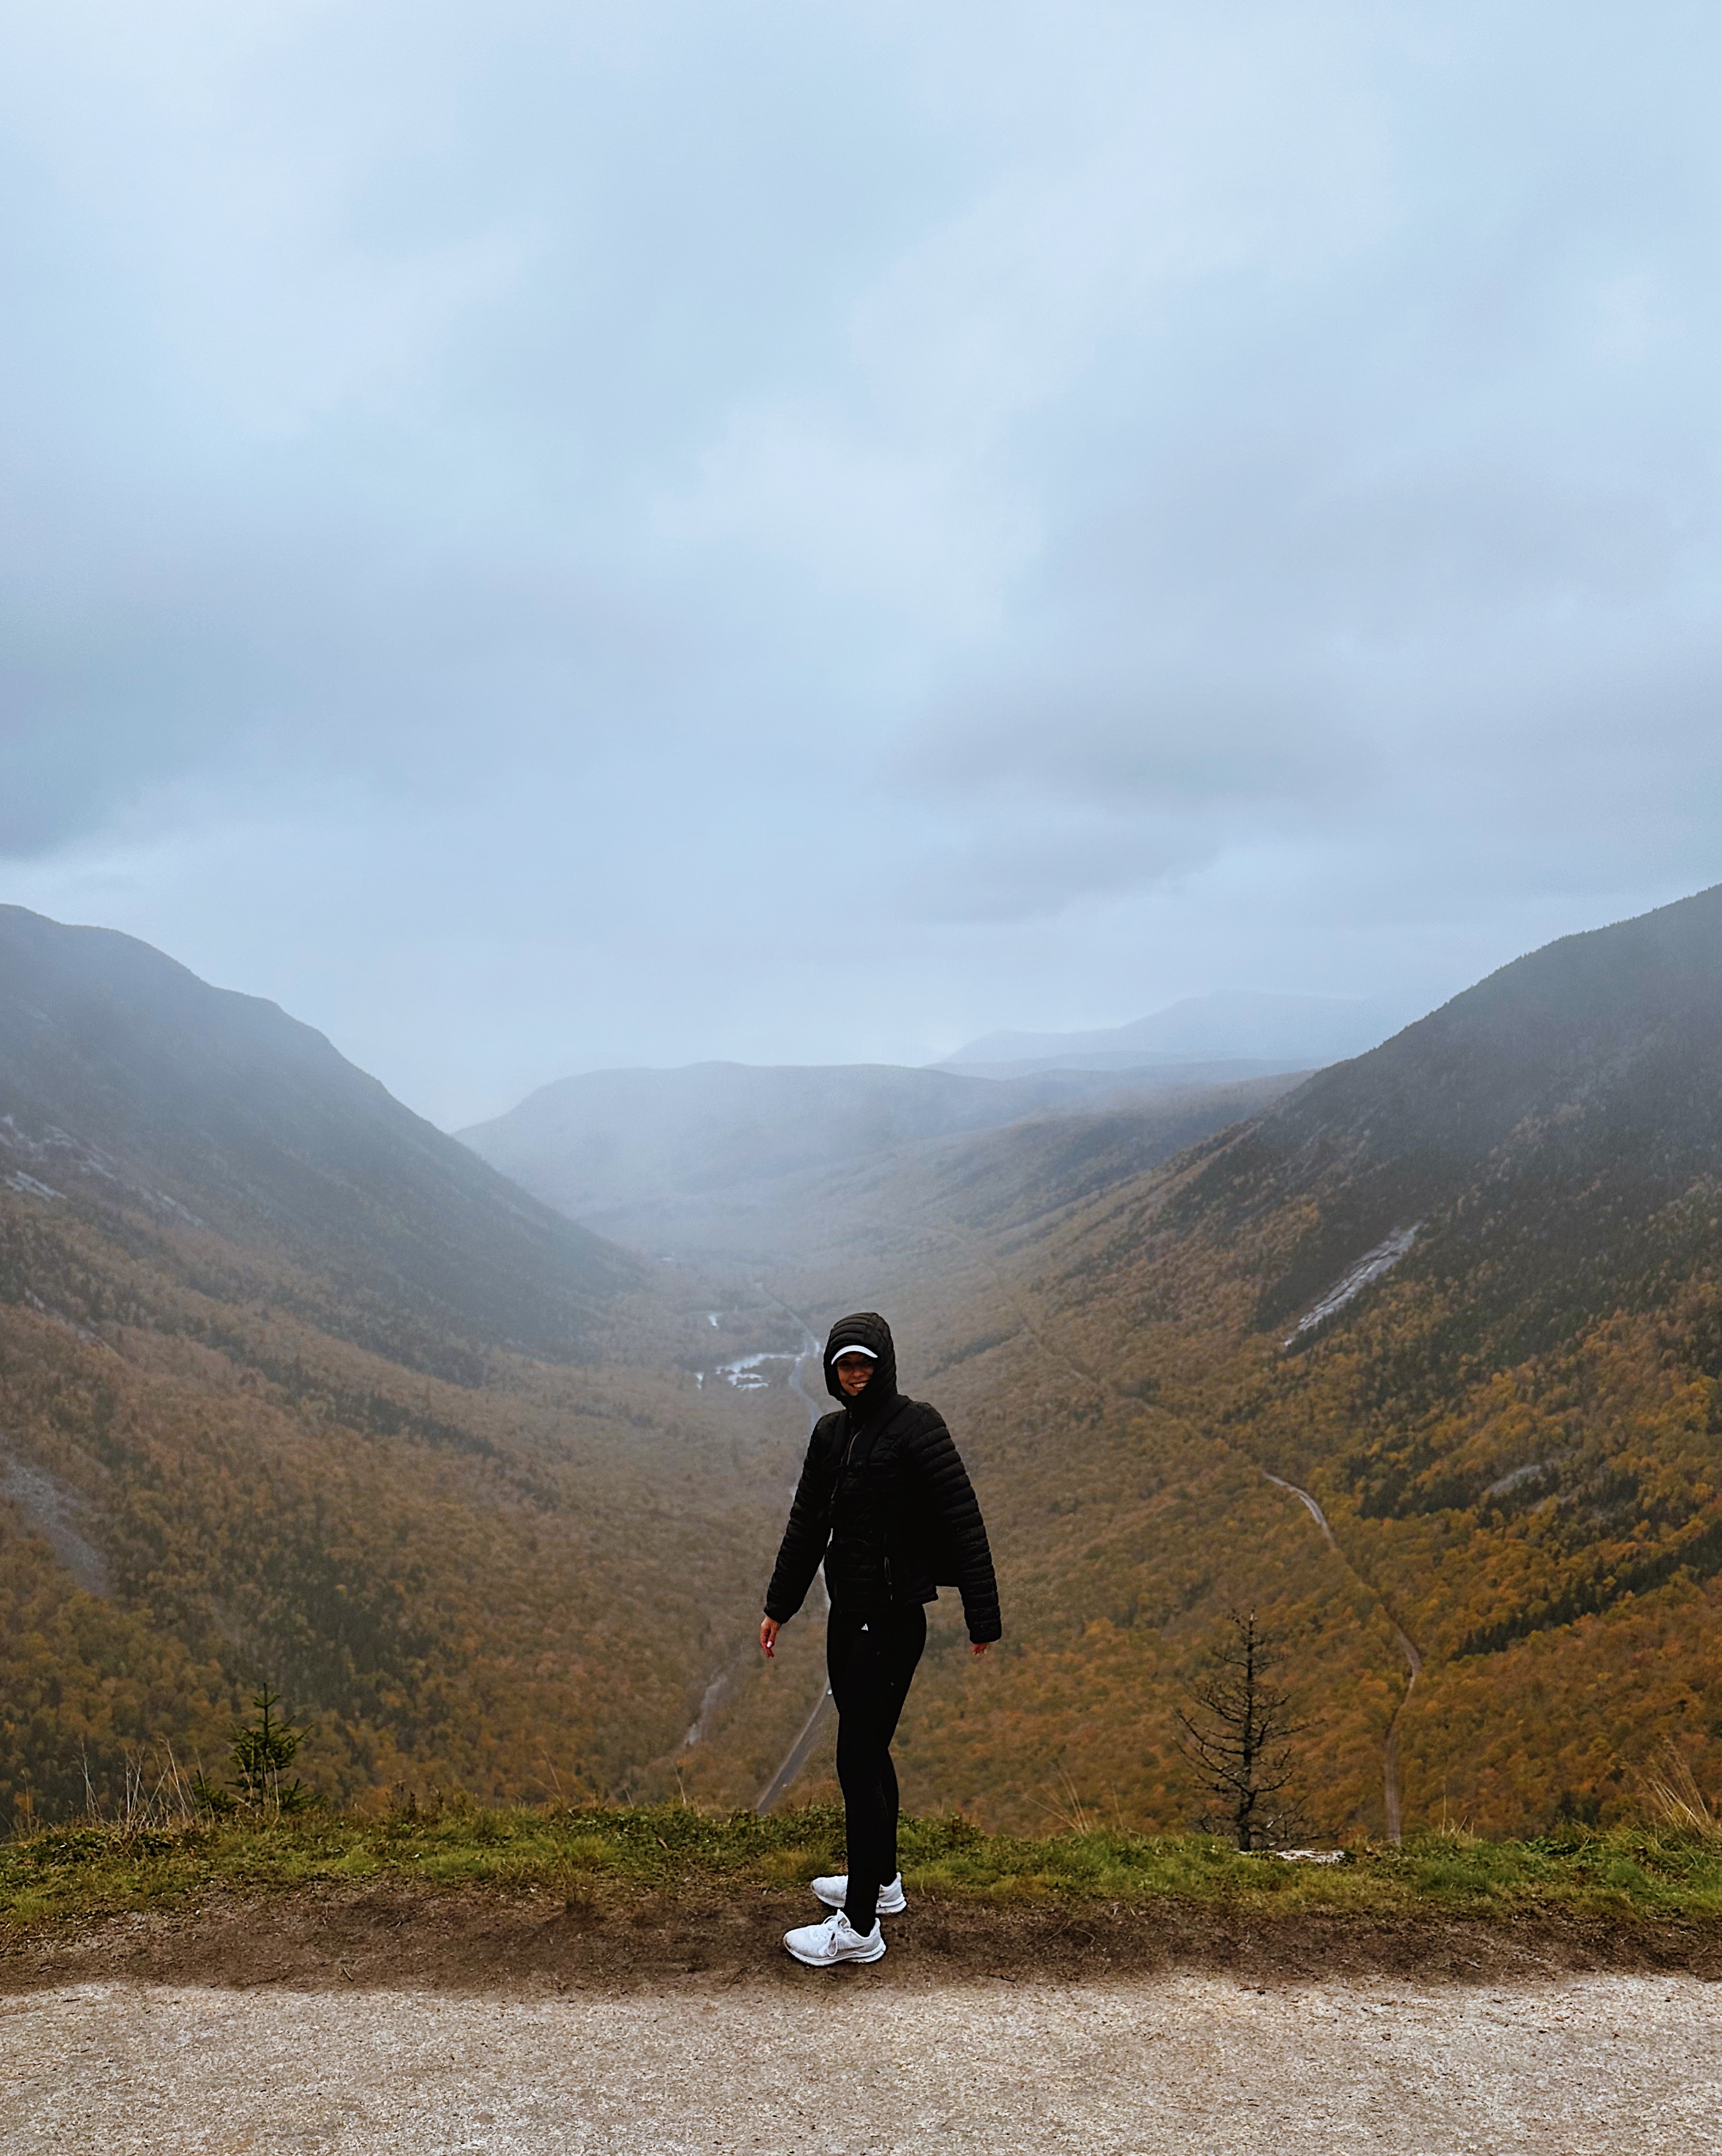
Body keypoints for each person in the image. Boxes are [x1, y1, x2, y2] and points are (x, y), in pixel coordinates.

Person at [760, 1311, 1001, 1967]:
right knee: (868, 1751)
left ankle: (860, 1924)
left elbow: (962, 1516)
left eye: (866, 1363)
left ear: (886, 1363)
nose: (856, 1374)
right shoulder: (831, 1434)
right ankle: (883, 1882)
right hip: (848, 1615)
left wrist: (984, 1616)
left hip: (892, 1621)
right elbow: (807, 1523)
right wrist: (780, 1605)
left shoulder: (917, 1426)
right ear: (831, 1372)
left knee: (858, 1759)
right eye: (845, 1365)